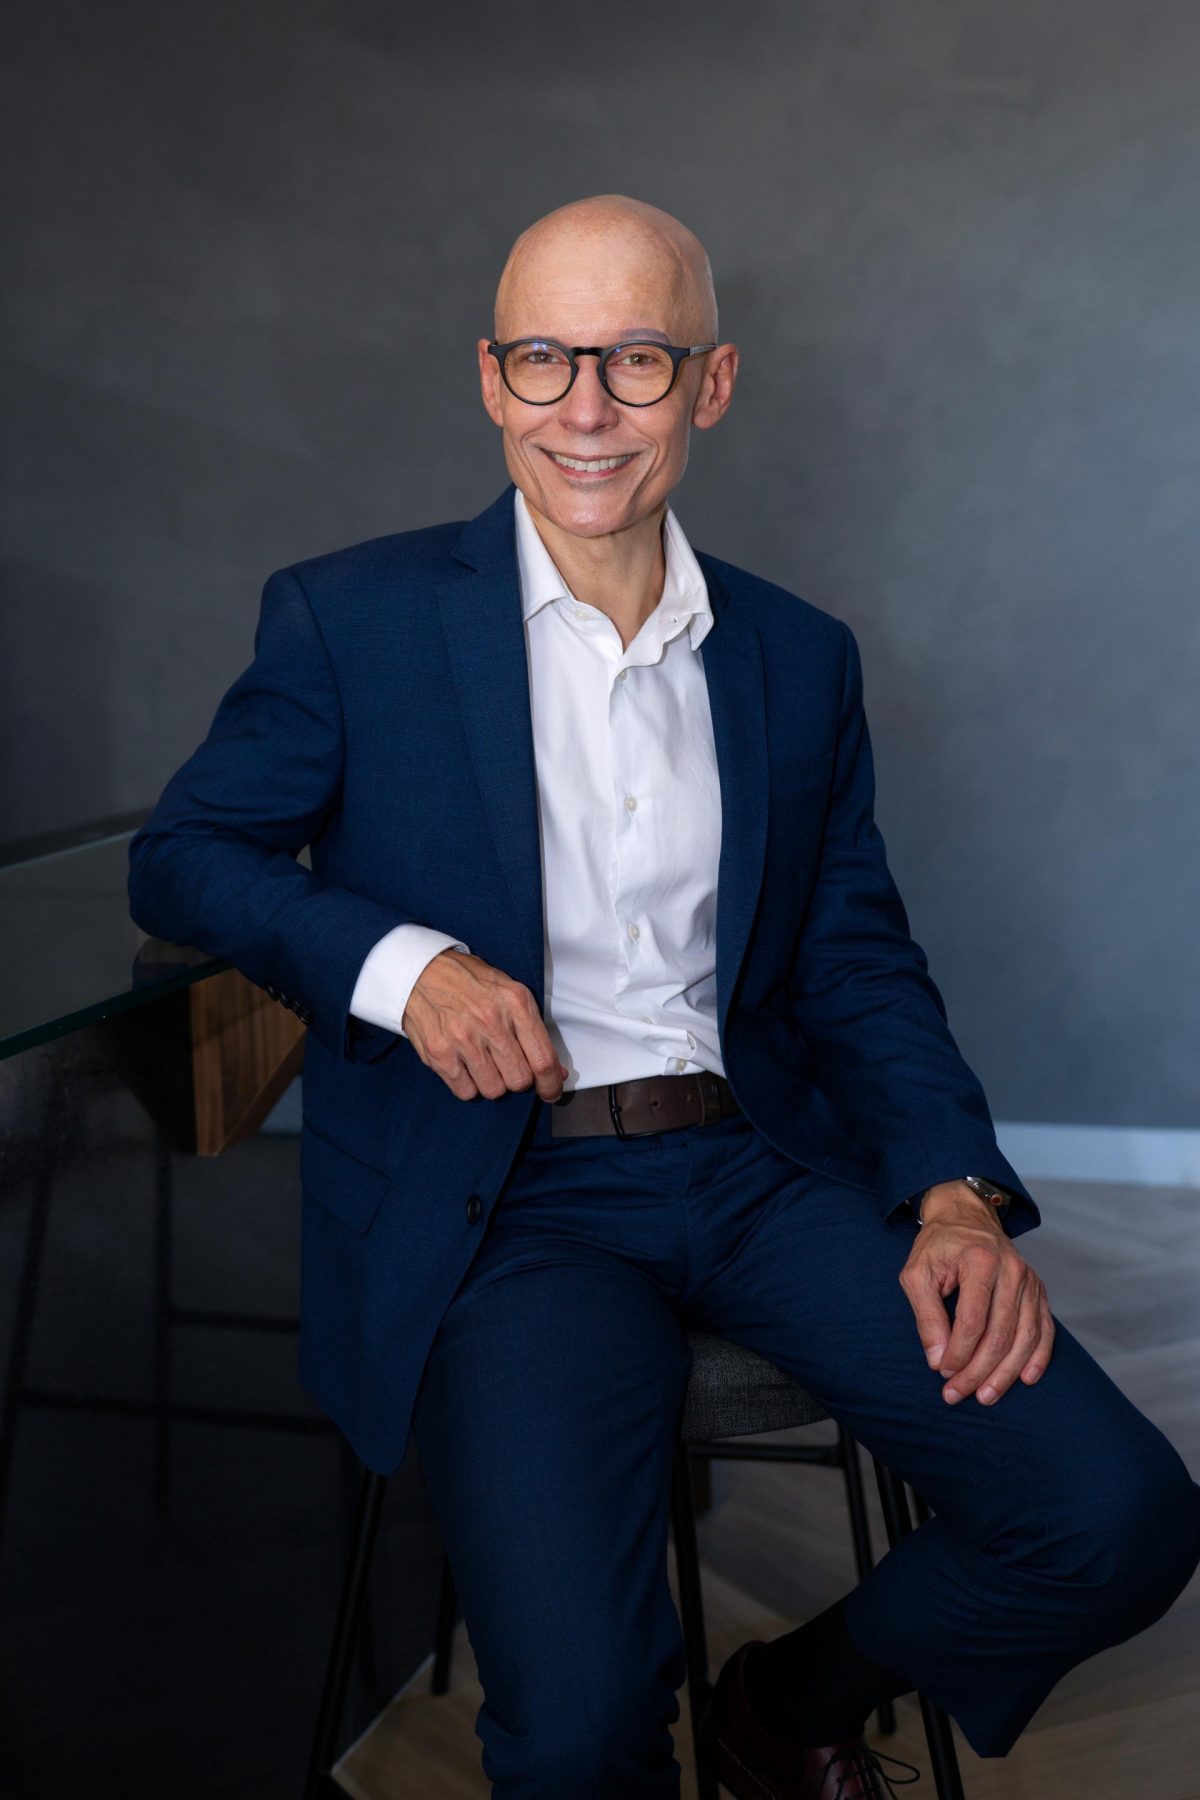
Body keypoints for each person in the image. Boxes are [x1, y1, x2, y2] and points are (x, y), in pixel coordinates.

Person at [127, 194, 1200, 1799]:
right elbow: (185, 857)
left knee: (1120, 1516)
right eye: (545, 360)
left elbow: (854, 961)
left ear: (712, 383)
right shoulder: (351, 619)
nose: (585, 408)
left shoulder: (796, 654)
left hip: (761, 1171)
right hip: (508, 1201)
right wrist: (406, 971)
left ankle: (784, 1706)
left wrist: (956, 1195)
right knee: (576, 1734)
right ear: (490, 379)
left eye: (636, 359)